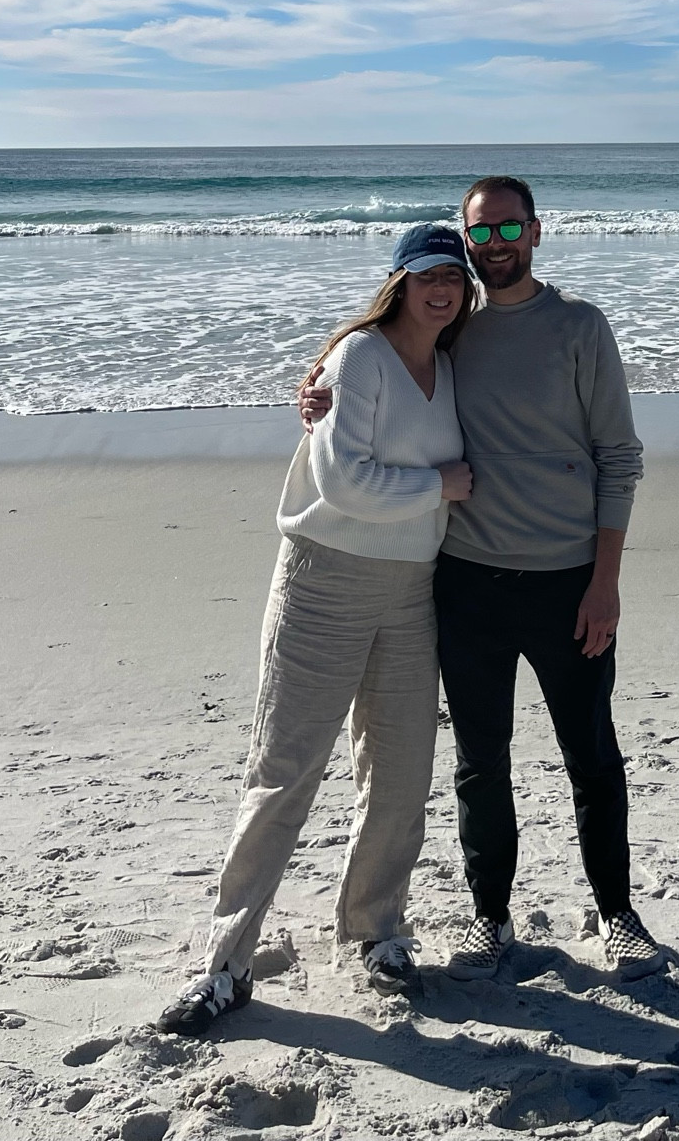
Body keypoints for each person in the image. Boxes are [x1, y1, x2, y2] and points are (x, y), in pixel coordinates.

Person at [301, 176, 662, 983]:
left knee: (591, 755)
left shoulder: (578, 327)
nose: (495, 247)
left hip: (568, 582)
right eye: (481, 235)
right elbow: (377, 371)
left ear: (535, 233)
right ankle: (490, 918)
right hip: (465, 583)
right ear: (466, 244)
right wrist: (317, 393)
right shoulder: (449, 330)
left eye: (509, 231)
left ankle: (618, 915)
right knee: (479, 762)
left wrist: (605, 582)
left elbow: (619, 458)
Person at [157, 224, 477, 1037]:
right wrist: (441, 484)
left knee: (401, 776)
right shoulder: (358, 358)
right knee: (285, 774)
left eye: (454, 274)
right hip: (323, 578)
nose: (441, 287)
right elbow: (341, 482)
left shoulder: (451, 363)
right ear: (399, 281)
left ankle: (376, 931)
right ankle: (224, 966)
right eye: (426, 274)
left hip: (411, 591)